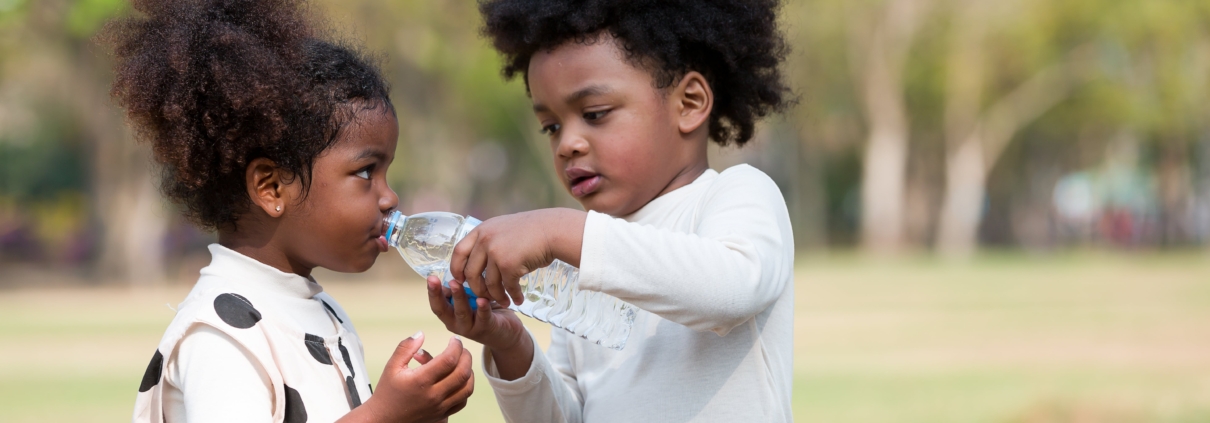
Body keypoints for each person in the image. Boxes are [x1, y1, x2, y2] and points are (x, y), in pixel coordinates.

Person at [425, 0, 795, 421]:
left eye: (595, 114)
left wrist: (559, 230)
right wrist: (511, 346)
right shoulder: (584, 254)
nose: (567, 144)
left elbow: (732, 289)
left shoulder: (738, 193)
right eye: (552, 127)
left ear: (689, 103)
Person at [105, 0, 473, 421]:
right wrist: (384, 415)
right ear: (271, 186)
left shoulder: (323, 312)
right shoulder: (219, 335)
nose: (389, 198)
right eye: (366, 171)